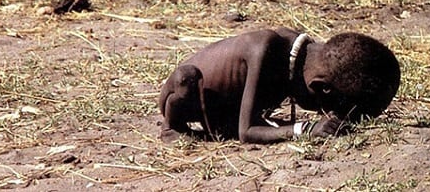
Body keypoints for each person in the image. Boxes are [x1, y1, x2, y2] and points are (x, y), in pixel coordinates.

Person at [159, 27, 400, 143]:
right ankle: (172, 128)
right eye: (328, 107)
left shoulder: (301, 56)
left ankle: (221, 124)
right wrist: (303, 129)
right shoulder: (264, 51)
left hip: (224, 109)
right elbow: (247, 132)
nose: (327, 114)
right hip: (188, 96)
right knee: (185, 80)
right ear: (320, 88)